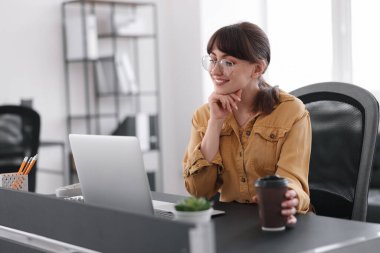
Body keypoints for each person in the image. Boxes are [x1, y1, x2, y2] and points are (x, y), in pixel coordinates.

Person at [182, 22, 311, 225]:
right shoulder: (203, 115)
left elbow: (293, 180)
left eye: (228, 62)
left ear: (258, 68)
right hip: (231, 226)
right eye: (213, 60)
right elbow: (199, 190)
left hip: (281, 222)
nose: (215, 70)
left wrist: (289, 196)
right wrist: (215, 122)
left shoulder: (291, 111)